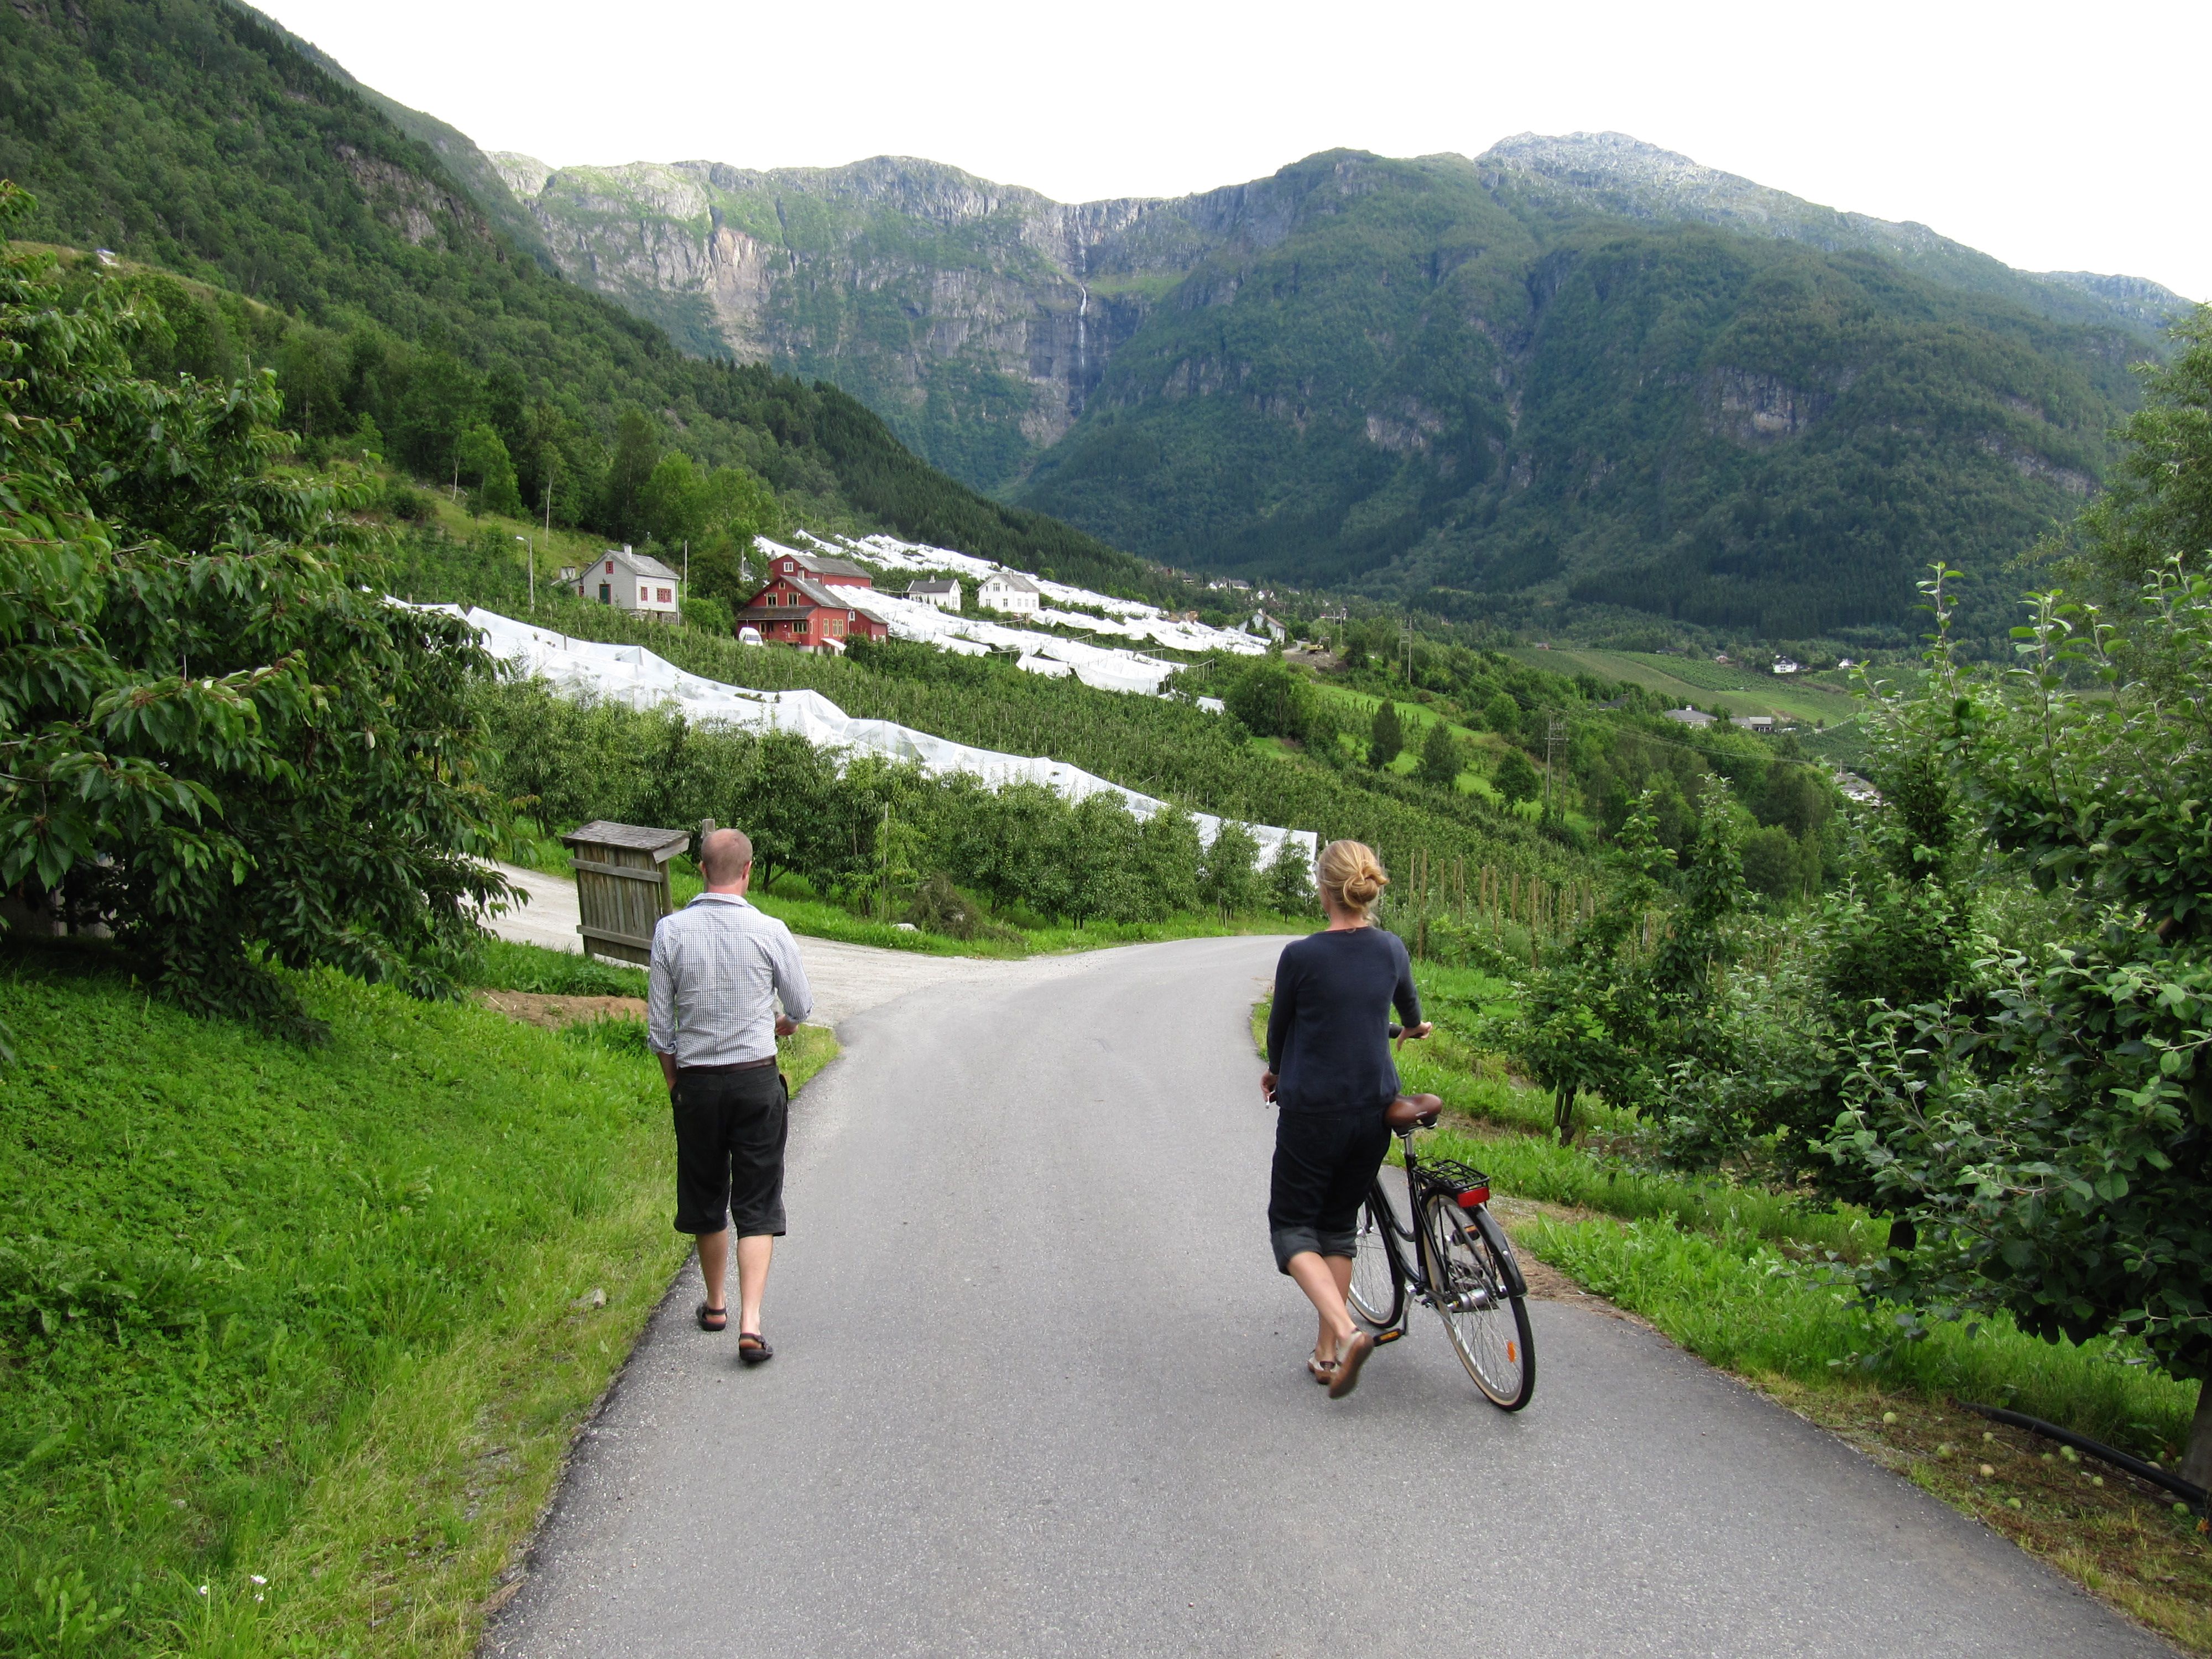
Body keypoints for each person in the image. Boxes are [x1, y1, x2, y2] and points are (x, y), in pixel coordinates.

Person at [1260, 839, 1430, 1398]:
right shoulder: (1390, 949)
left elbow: (1280, 1033)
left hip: (1313, 1113)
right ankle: (1327, 1355)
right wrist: (1410, 1029)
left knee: (1292, 1229)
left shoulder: (1302, 956)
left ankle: (1347, 1331)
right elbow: (1410, 1016)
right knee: (1337, 1227)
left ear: (1324, 889)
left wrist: (1275, 1073)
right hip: (1372, 1112)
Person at [647, 827, 814, 1364]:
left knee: (706, 1193)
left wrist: (677, 1083)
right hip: (756, 1082)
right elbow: (802, 1006)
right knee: (757, 1202)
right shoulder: (770, 930)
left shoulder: (670, 932)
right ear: (747, 871)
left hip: (697, 1084)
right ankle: (751, 1323)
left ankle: (715, 1304)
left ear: (700, 869)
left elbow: (658, 1029)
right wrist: (781, 1024)